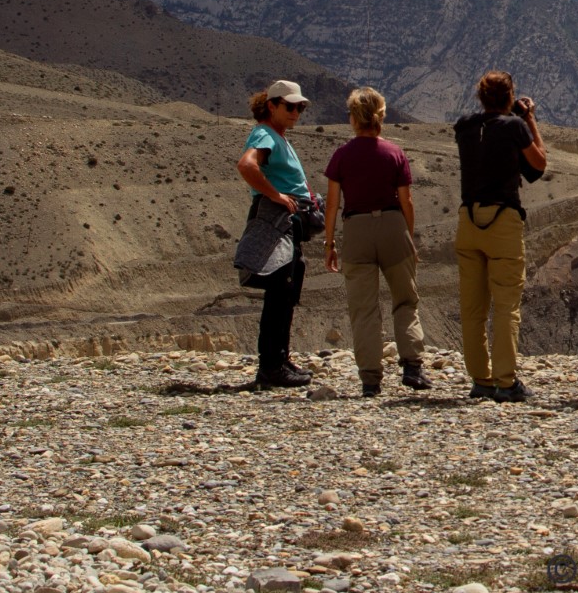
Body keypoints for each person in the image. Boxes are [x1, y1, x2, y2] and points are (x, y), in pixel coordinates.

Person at [323, 87, 432, 397]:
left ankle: (370, 379)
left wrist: (330, 243)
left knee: (364, 308)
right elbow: (406, 200)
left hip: (356, 230)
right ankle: (412, 367)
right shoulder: (394, 153)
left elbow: (332, 204)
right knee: (405, 300)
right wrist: (408, 237)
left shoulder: (341, 155)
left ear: (353, 119)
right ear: (381, 117)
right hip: (393, 227)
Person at [453, 71, 546, 402]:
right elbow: (538, 164)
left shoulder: (464, 126)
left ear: (480, 96)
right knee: (506, 305)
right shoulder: (515, 127)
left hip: (468, 220)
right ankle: (506, 382)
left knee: (472, 307)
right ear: (509, 97)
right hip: (502, 220)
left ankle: (481, 379)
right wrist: (529, 118)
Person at [233, 80, 315, 390]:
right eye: (290, 106)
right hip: (276, 220)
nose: (296, 112)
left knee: (287, 288)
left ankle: (280, 359)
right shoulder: (265, 134)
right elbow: (246, 165)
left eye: (300, 107)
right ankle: (271, 366)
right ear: (272, 106)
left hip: (286, 221)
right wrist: (276, 195)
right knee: (280, 290)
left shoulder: (277, 136)